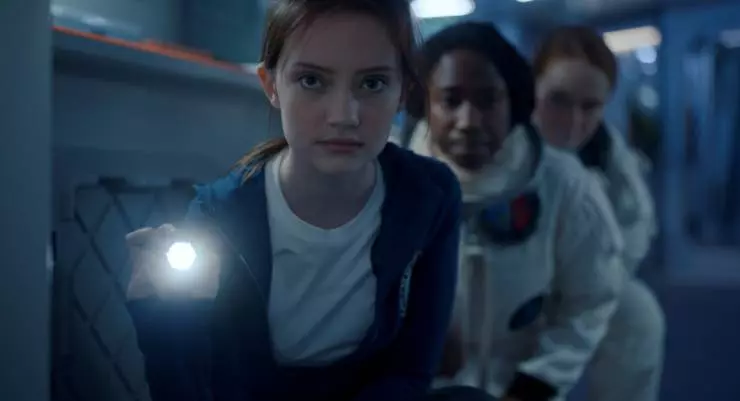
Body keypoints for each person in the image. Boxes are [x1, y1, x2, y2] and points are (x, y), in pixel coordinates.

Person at [123, 1, 497, 401]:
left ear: (403, 91)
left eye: (372, 83)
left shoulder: (428, 196)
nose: (343, 115)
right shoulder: (220, 217)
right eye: (312, 81)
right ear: (271, 85)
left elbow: (411, 369)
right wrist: (160, 321)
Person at [405, 21, 626, 401]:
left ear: (515, 103)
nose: (468, 122)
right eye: (450, 100)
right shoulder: (390, 182)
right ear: (425, 105)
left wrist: (536, 384)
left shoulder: (564, 185)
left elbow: (591, 300)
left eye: (488, 100)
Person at [532, 25, 665, 401]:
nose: (574, 121)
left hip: (580, 281)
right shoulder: (503, 142)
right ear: (533, 89)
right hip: (509, 283)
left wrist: (595, 279)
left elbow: (636, 223)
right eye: (559, 101)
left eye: (590, 106)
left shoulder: (607, 153)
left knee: (638, 314)